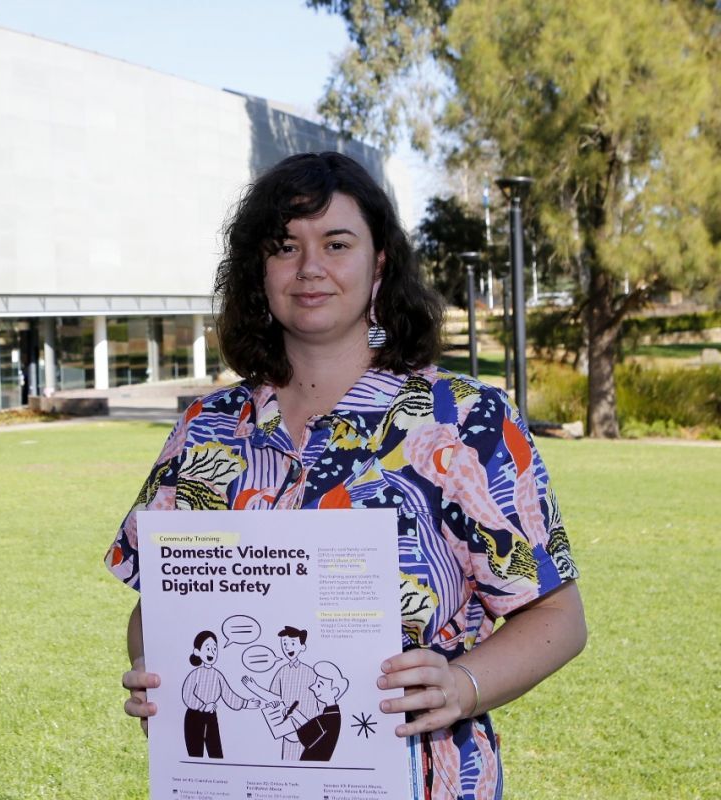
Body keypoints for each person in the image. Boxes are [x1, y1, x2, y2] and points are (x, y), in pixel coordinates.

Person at [108, 152, 587, 799]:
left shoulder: (465, 423)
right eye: (285, 247)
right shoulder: (206, 429)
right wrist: (151, 666)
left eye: (336, 243)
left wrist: (462, 684)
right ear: (260, 270)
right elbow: (156, 606)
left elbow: (557, 615)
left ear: (379, 262)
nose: (310, 268)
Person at [240, 625, 318, 759]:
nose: (288, 647)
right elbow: (274, 698)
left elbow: (321, 704)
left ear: (302, 647)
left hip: (308, 732)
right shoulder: (282, 672)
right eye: (284, 644)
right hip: (287, 731)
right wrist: (256, 689)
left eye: (292, 643)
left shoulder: (311, 673)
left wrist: (255, 688)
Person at [180, 630, 260, 758]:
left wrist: (246, 703)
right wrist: (203, 706)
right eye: (207, 648)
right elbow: (187, 694)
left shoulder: (217, 675)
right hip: (194, 717)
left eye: (214, 649)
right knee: (195, 755)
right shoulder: (195, 674)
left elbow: (228, 694)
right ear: (197, 651)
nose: (211, 652)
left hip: (211, 717)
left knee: (216, 754)